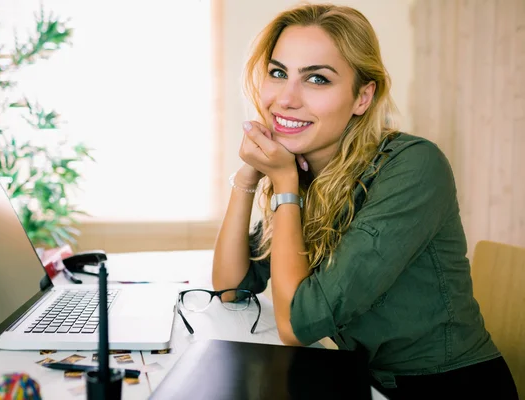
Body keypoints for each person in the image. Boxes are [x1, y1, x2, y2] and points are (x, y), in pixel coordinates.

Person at [211, 3, 518, 399]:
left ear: (362, 96)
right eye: (278, 72)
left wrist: (284, 183)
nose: (285, 99)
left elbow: (294, 325)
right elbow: (231, 286)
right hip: (363, 381)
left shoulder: (413, 167)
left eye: (317, 79)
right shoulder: (305, 168)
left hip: (448, 388)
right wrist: (248, 175)